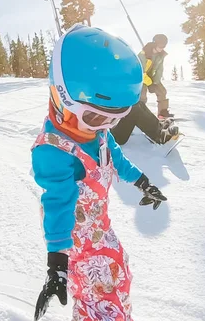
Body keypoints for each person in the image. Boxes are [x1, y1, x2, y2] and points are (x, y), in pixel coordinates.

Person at [31, 24, 167, 321]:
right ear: (60, 95)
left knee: (118, 276)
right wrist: (57, 263)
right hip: (75, 240)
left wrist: (142, 181)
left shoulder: (97, 132)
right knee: (100, 296)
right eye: (95, 116)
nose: (102, 127)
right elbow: (57, 202)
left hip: (101, 229)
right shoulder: (54, 151)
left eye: (114, 119)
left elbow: (115, 159)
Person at [111, 101, 179, 146]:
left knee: (137, 103)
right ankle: (159, 136)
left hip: (108, 128)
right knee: (134, 110)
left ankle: (158, 126)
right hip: (109, 136)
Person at [138, 34, 172, 119]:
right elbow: (141, 72)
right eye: (160, 45)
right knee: (142, 95)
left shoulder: (160, 56)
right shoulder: (143, 54)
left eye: (164, 46)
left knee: (162, 91)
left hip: (150, 77)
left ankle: (162, 113)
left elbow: (159, 70)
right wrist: (149, 84)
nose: (162, 48)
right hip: (139, 77)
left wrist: (156, 82)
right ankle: (139, 115)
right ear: (155, 43)